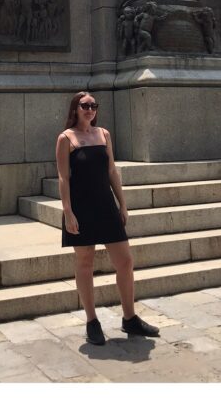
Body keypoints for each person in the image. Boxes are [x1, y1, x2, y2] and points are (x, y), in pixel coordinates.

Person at [56, 91, 159, 345]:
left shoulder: (104, 134)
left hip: (105, 205)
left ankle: (129, 317)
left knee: (124, 260)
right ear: (75, 109)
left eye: (93, 105)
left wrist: (122, 204)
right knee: (85, 262)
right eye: (85, 105)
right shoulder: (66, 138)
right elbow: (63, 177)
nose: (90, 109)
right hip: (81, 207)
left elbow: (111, 170)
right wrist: (68, 211)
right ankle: (92, 321)